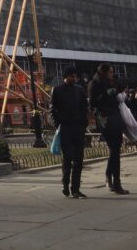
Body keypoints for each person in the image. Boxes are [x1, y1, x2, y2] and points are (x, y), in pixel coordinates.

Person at [88, 63, 129, 195]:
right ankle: (115, 182)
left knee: (116, 149)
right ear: (104, 72)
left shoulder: (112, 82)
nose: (112, 74)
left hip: (116, 116)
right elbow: (93, 102)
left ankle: (110, 177)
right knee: (114, 149)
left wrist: (120, 89)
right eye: (110, 72)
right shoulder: (94, 83)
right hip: (105, 118)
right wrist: (106, 94)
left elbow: (118, 92)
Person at [50, 66, 88, 198]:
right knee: (68, 158)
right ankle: (65, 185)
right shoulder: (57, 90)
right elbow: (52, 109)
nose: (74, 78)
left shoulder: (79, 90)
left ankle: (76, 188)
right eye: (71, 76)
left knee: (79, 160)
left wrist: (84, 123)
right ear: (65, 77)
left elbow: (84, 107)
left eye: (75, 76)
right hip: (65, 127)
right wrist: (57, 124)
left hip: (78, 127)